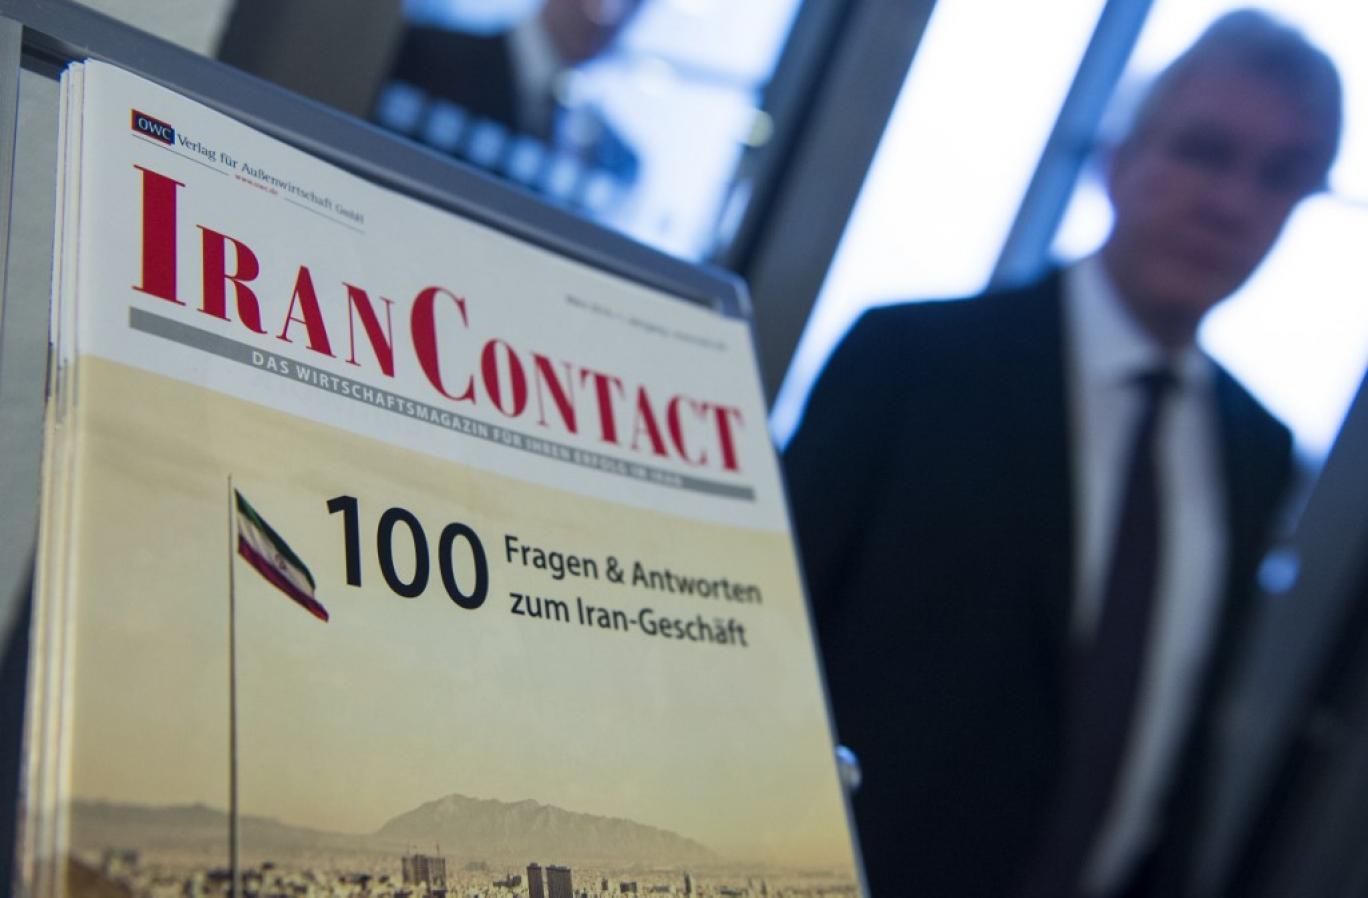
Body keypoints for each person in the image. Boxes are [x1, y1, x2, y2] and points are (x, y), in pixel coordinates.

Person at [782, 10, 1341, 898]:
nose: (1233, 203)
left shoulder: (1256, 449)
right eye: (1205, 151)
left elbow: (1180, 736)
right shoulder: (915, 362)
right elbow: (770, 642)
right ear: (1122, 158)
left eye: (1280, 176)